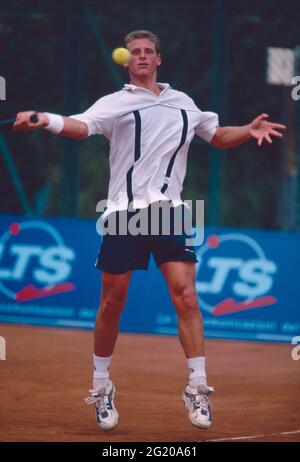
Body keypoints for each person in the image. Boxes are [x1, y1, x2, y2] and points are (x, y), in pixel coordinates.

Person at [14, 30, 286, 432]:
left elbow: (217, 135)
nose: (141, 57)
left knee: (187, 295)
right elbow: (80, 126)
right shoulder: (115, 103)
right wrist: (45, 120)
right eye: (135, 52)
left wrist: (248, 130)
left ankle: (196, 387)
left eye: (147, 52)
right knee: (111, 302)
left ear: (158, 59)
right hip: (124, 213)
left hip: (171, 212)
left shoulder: (184, 104)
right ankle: (102, 385)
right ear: (127, 61)